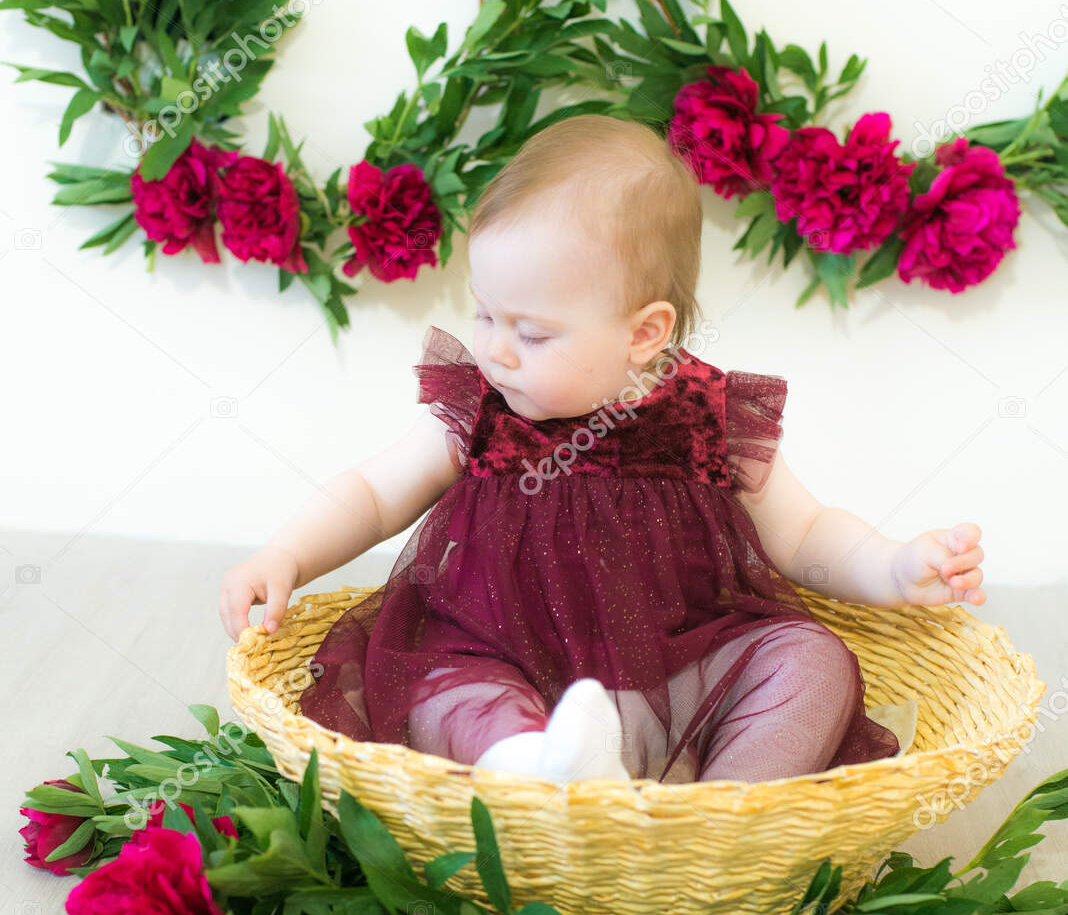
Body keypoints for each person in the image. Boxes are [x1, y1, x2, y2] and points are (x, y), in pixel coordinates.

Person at [218, 116, 985, 784]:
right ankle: (538, 771)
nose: (497, 350)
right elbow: (376, 493)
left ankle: (726, 813)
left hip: (680, 666)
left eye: (533, 331)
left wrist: (891, 565)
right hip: (496, 655)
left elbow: (806, 534)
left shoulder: (703, 416)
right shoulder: (480, 410)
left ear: (643, 333)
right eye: (485, 314)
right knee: (442, 691)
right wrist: (287, 554)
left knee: (811, 659)